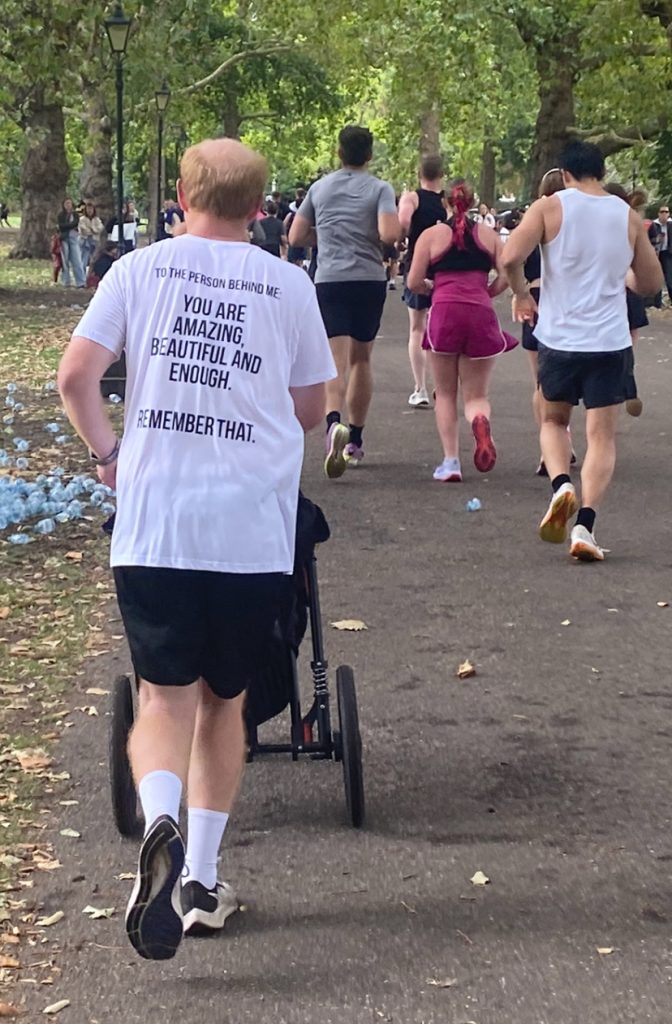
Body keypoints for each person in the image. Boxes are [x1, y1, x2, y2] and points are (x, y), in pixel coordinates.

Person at [57, 137, 335, 961]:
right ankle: (202, 881)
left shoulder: (137, 272)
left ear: (182, 194)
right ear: (260, 206)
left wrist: (110, 454)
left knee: (161, 698)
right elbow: (311, 410)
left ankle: (160, 821)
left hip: (157, 522)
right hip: (248, 529)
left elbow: (76, 378)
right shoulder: (288, 285)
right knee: (224, 702)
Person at [503, 140, 662, 562]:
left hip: (559, 338)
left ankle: (561, 486)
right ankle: (585, 527)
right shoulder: (626, 215)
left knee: (553, 421)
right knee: (601, 437)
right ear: (601, 172)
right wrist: (622, 277)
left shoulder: (549, 207)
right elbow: (651, 283)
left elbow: (510, 257)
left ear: (564, 173)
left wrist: (522, 295)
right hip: (610, 342)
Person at [289, 125, 400, 477]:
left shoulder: (319, 188)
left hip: (330, 280)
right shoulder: (380, 189)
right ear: (369, 155)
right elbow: (389, 233)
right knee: (362, 358)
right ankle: (355, 439)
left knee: (335, 362)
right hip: (368, 280)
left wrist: (327, 237)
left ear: (339, 152)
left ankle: (332, 425)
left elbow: (296, 235)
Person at [407, 178, 516, 483]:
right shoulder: (489, 235)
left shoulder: (430, 236)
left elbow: (413, 281)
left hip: (444, 312)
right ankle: (479, 419)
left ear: (446, 202)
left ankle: (451, 462)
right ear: (472, 202)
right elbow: (507, 275)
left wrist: (434, 288)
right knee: (476, 395)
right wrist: (487, 292)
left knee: (444, 393)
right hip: (480, 310)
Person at [517, 168, 574, 476]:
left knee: (541, 382)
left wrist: (520, 292)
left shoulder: (535, 220)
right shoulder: (571, 222)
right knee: (563, 383)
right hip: (565, 300)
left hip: (536, 298)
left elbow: (515, 259)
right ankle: (564, 441)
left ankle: (548, 448)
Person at [398, 155, 446, 408]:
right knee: (439, 325)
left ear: (420, 174)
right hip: (443, 266)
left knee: (417, 328)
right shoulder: (446, 202)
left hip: (417, 264)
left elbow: (404, 221)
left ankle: (421, 388)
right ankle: (442, 386)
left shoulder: (412, 198)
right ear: (441, 176)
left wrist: (401, 240)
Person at [57, 198, 86, 287]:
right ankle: (66, 281)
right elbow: (61, 226)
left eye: (69, 203)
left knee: (77, 260)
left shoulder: (75, 215)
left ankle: (81, 282)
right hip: (64, 239)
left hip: (74, 238)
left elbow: (75, 223)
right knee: (64, 261)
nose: (68, 205)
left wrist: (67, 226)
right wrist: (69, 226)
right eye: (66, 203)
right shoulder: (61, 215)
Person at [647, 202, 672, 308]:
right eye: (662, 212)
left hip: (668, 253)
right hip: (656, 253)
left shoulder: (670, 224)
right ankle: (657, 303)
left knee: (669, 277)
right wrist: (656, 240)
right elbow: (649, 239)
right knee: (657, 278)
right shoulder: (654, 225)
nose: (664, 214)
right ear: (658, 213)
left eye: (666, 212)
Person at [78, 201, 104, 271]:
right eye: (88, 209)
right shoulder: (82, 219)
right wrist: (93, 231)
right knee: (84, 259)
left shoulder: (97, 219)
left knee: (94, 258)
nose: (89, 211)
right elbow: (84, 230)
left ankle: (92, 273)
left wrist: (93, 229)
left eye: (91, 209)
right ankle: (82, 274)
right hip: (85, 241)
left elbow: (100, 228)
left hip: (95, 241)